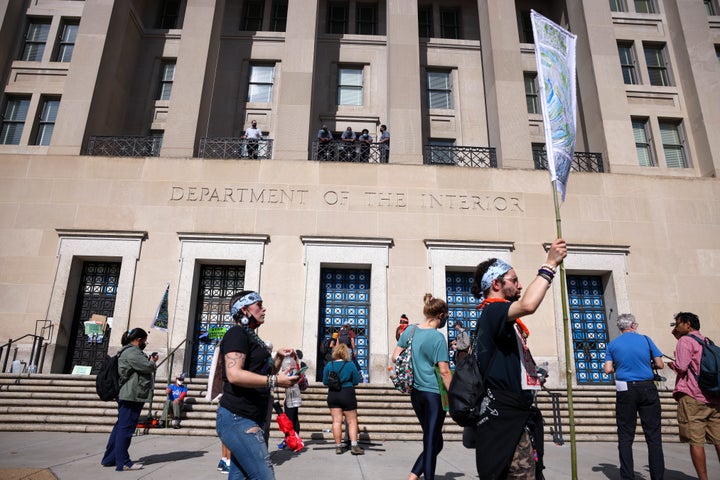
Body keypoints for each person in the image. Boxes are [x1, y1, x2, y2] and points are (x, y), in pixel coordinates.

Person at [469, 239, 567, 479]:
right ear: (496, 283)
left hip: (515, 414)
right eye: (514, 280)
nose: (520, 285)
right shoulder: (493, 312)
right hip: (504, 417)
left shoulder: (503, 321)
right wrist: (550, 264)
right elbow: (529, 304)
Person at [216, 290, 299, 480]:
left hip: (252, 416)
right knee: (264, 476)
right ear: (244, 310)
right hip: (239, 418)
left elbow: (264, 373)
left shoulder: (251, 335)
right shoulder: (237, 333)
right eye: (259, 305)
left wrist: (278, 358)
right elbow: (234, 374)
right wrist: (276, 381)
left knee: (240, 476)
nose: (264, 309)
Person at [393, 294, 452, 480]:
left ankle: (412, 477)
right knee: (431, 441)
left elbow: (395, 357)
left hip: (416, 394)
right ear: (441, 315)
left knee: (435, 441)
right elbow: (444, 372)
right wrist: (456, 395)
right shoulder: (438, 338)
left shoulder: (410, 330)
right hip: (434, 394)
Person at [603, 313, 665, 480]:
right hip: (647, 387)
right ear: (633, 325)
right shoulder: (646, 339)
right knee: (653, 435)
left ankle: (627, 476)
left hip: (625, 390)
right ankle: (657, 476)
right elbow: (660, 364)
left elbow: (608, 369)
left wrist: (620, 367)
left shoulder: (613, 344)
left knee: (625, 435)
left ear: (620, 328)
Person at [668, 312, 720, 480]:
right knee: (718, 439)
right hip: (713, 396)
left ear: (687, 324)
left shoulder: (685, 341)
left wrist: (672, 364)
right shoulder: (706, 341)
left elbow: (682, 367)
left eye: (677, 324)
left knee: (696, 441)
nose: (676, 327)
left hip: (692, 396)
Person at [101, 328, 159, 471]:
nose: (145, 343)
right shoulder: (132, 352)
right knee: (126, 429)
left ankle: (110, 458)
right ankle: (123, 462)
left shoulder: (126, 351)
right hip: (131, 395)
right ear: (138, 339)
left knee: (121, 427)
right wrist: (152, 361)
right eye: (144, 341)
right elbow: (146, 367)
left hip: (129, 394)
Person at [322, 343, 363, 455]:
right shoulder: (350, 365)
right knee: (352, 421)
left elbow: (325, 381)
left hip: (333, 394)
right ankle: (354, 446)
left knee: (336, 421)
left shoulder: (329, 365)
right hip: (347, 393)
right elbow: (356, 381)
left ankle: (338, 446)